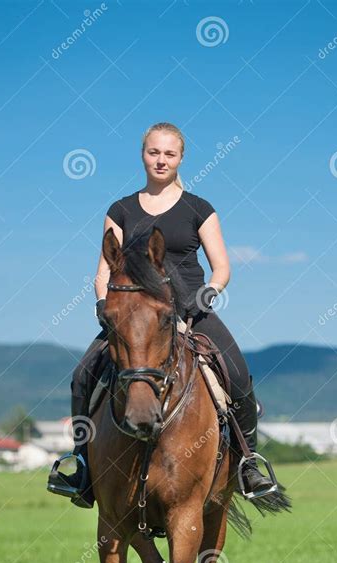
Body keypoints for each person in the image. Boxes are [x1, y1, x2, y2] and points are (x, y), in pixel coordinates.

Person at [47, 122, 275, 508]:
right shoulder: (120, 209)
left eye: (169, 153)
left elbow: (222, 269)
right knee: (82, 375)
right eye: (154, 152)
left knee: (236, 373)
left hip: (191, 310)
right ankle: (82, 465)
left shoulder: (199, 208)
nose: (161, 160)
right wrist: (105, 308)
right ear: (143, 155)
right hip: (134, 316)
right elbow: (104, 270)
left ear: (181, 158)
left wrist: (198, 303)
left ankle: (248, 461)